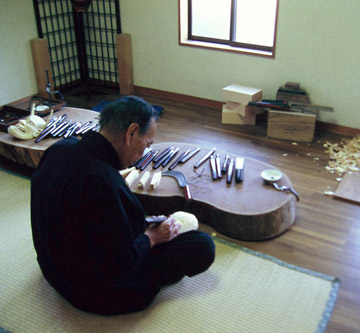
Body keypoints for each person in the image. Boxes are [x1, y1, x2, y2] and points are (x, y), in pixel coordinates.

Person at [31, 96, 215, 315]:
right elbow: (117, 267)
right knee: (201, 246)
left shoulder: (59, 149)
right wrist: (152, 237)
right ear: (131, 133)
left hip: (52, 267)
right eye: (147, 144)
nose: (143, 154)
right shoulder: (104, 181)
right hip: (92, 293)